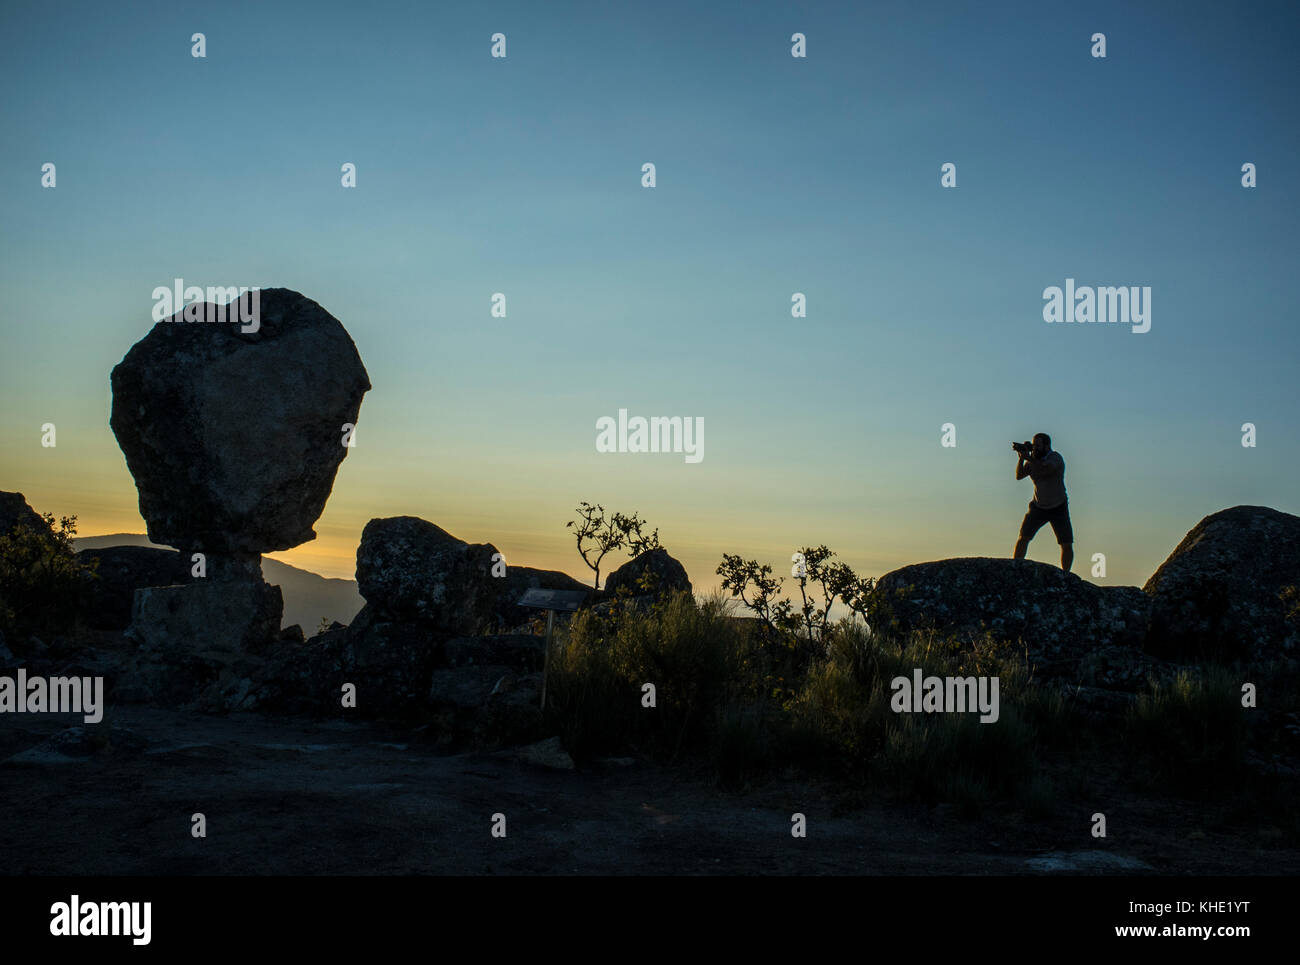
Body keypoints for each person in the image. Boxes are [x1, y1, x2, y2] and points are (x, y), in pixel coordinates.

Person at [1013, 432, 1073, 573]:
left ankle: (1066, 574)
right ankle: (1015, 567)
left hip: (1058, 506)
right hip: (1038, 506)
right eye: (1034, 446)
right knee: (1024, 537)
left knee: (1066, 542)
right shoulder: (1032, 460)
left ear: (1047, 446)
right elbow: (1019, 475)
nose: (1035, 449)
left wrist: (1030, 458)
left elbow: (1047, 468)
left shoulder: (1055, 458)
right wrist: (1022, 458)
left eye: (1038, 445)